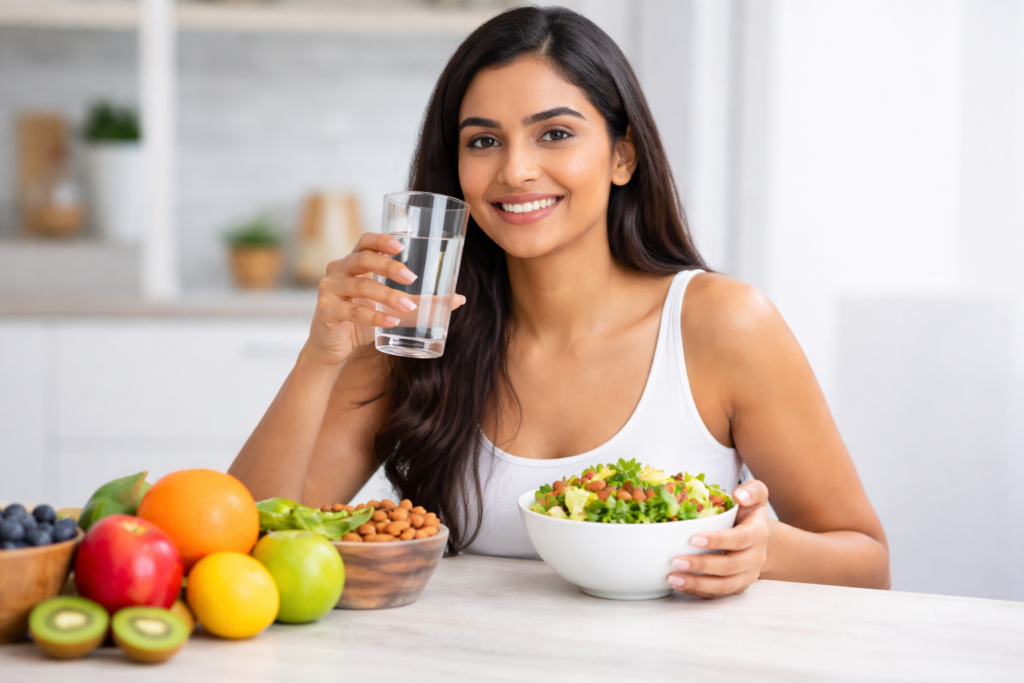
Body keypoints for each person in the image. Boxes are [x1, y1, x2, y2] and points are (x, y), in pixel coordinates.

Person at [229, 6, 890, 599]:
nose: (515, 170)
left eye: (555, 134)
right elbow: (245, 541)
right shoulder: (419, 328)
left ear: (623, 155)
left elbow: (868, 560)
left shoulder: (721, 323)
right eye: (483, 141)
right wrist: (319, 359)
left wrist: (765, 550)